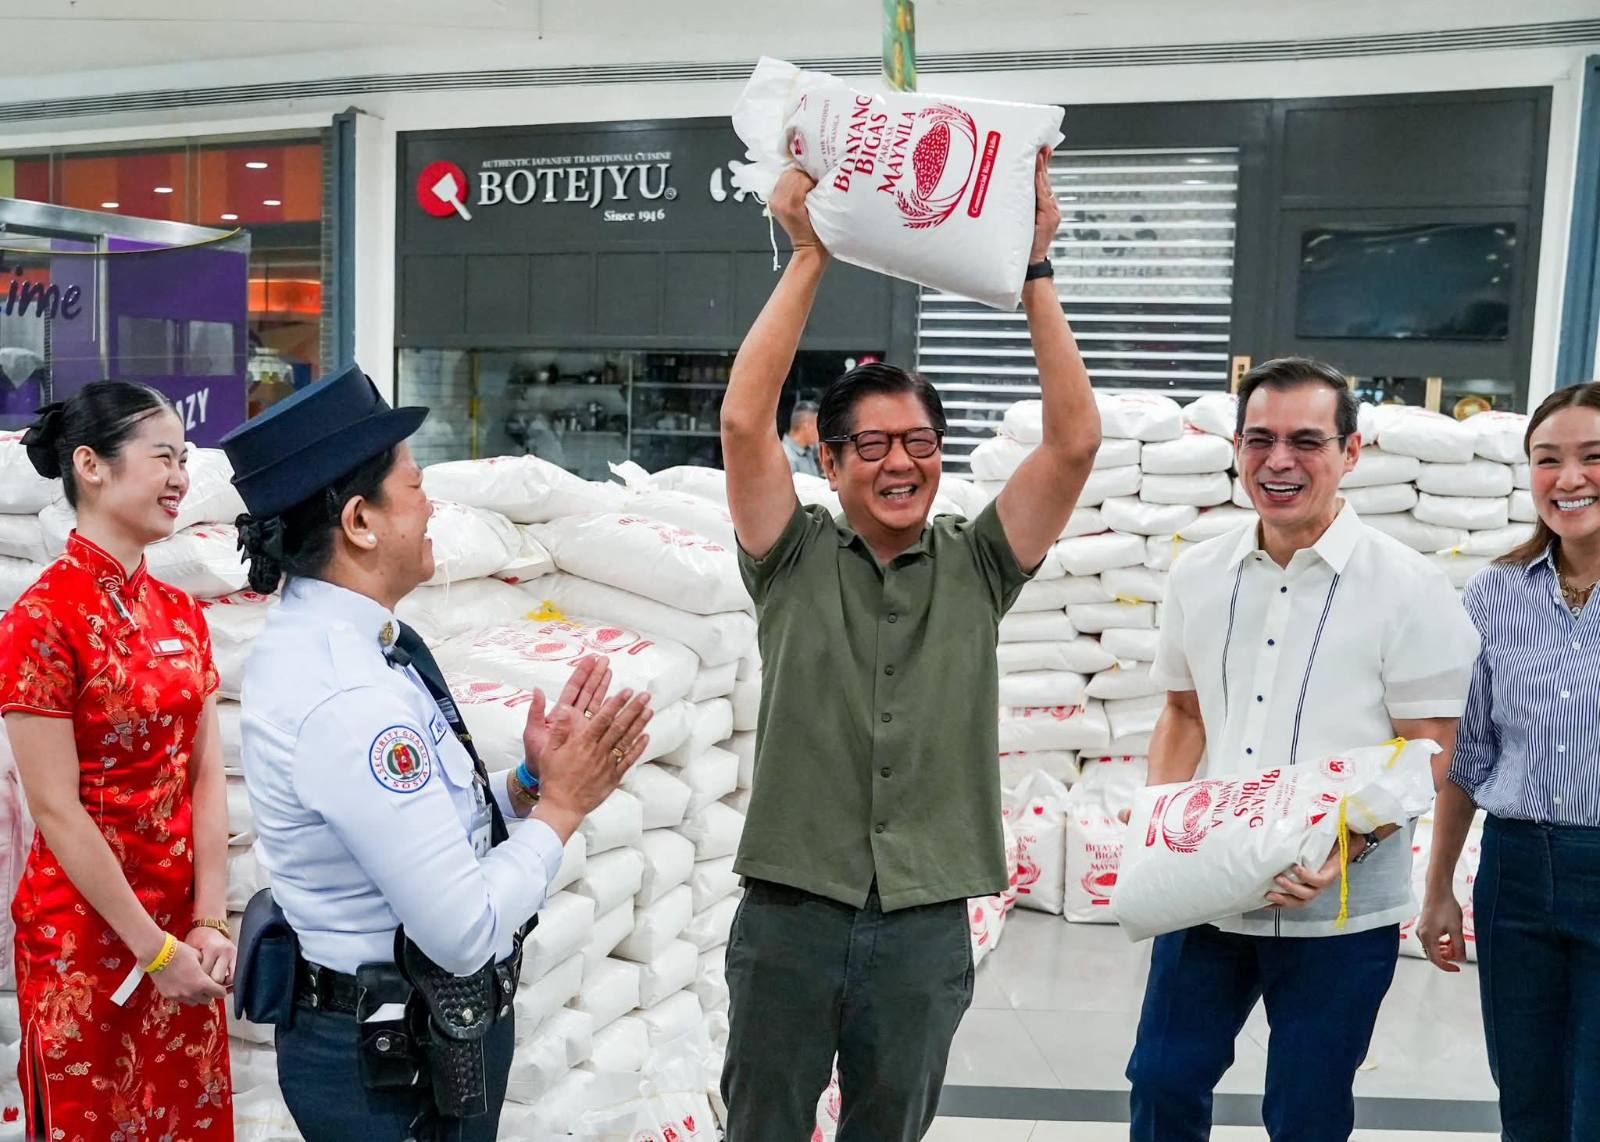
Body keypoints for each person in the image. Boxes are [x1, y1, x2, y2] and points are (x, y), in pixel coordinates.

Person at [718, 151, 1101, 1141]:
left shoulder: (980, 562)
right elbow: (743, 421)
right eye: (875, 445)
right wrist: (808, 254)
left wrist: (1034, 267)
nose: (902, 462)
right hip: (792, 910)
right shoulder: (790, 554)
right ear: (830, 461)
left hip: (925, 920)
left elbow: (1072, 444)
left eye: (920, 442)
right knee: (760, 1127)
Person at [221, 363, 654, 1141]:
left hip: (404, 1040)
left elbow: (416, 822)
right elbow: (461, 931)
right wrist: (563, 807)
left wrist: (527, 783)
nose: (433, 509)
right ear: (360, 521)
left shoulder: (357, 648)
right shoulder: (348, 695)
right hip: (390, 1067)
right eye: (415, 486)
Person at [1126, 357, 1481, 1142]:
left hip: (1339, 909)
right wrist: (1158, 825)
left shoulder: (1407, 586)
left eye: (1306, 441)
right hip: (1205, 887)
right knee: (1161, 1077)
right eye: (1259, 439)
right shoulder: (1199, 573)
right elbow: (1183, 712)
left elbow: (1432, 748)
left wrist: (1342, 847)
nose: (1278, 461)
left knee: (1307, 1107)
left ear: (1350, 452)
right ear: (1237, 448)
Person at [0, 381, 235, 1140]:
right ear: (91, 465)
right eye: (163, 457)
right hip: (85, 941)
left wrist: (209, 920)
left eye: (185, 459)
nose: (180, 479)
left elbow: (205, 774)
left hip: (185, 938)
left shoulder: (182, 612)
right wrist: (153, 949)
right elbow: (55, 808)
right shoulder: (42, 619)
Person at [1417, 381, 1600, 1141]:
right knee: (1528, 1106)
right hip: (1516, 875)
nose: (1569, 478)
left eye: (1593, 456)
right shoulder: (1495, 594)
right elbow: (1469, 756)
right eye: (1547, 459)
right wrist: (1439, 890)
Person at [781, 399, 821, 476]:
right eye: (818, 426)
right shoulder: (786, 457)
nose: (820, 431)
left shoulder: (808, 451)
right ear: (806, 426)